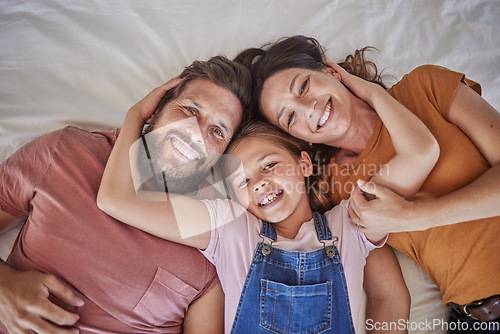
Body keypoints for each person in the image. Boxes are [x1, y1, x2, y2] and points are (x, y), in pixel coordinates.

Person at [96, 63, 439, 333]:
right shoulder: (229, 226)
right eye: (242, 180)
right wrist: (136, 116)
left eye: (270, 165)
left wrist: (369, 93)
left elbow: (421, 152)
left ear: (304, 164)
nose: (259, 183)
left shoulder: (351, 221)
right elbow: (116, 199)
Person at [235, 35, 500, 332]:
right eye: (291, 117)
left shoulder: (424, 87)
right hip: (479, 319)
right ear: (301, 139)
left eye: (304, 86)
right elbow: (386, 295)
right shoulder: (334, 190)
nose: (308, 107)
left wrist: (416, 216)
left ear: (331, 72)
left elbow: (423, 152)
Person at [0, 55, 252, 333]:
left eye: (217, 131)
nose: (195, 133)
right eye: (190, 110)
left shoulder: (213, 241)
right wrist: (4, 288)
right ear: (155, 109)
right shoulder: (66, 152)